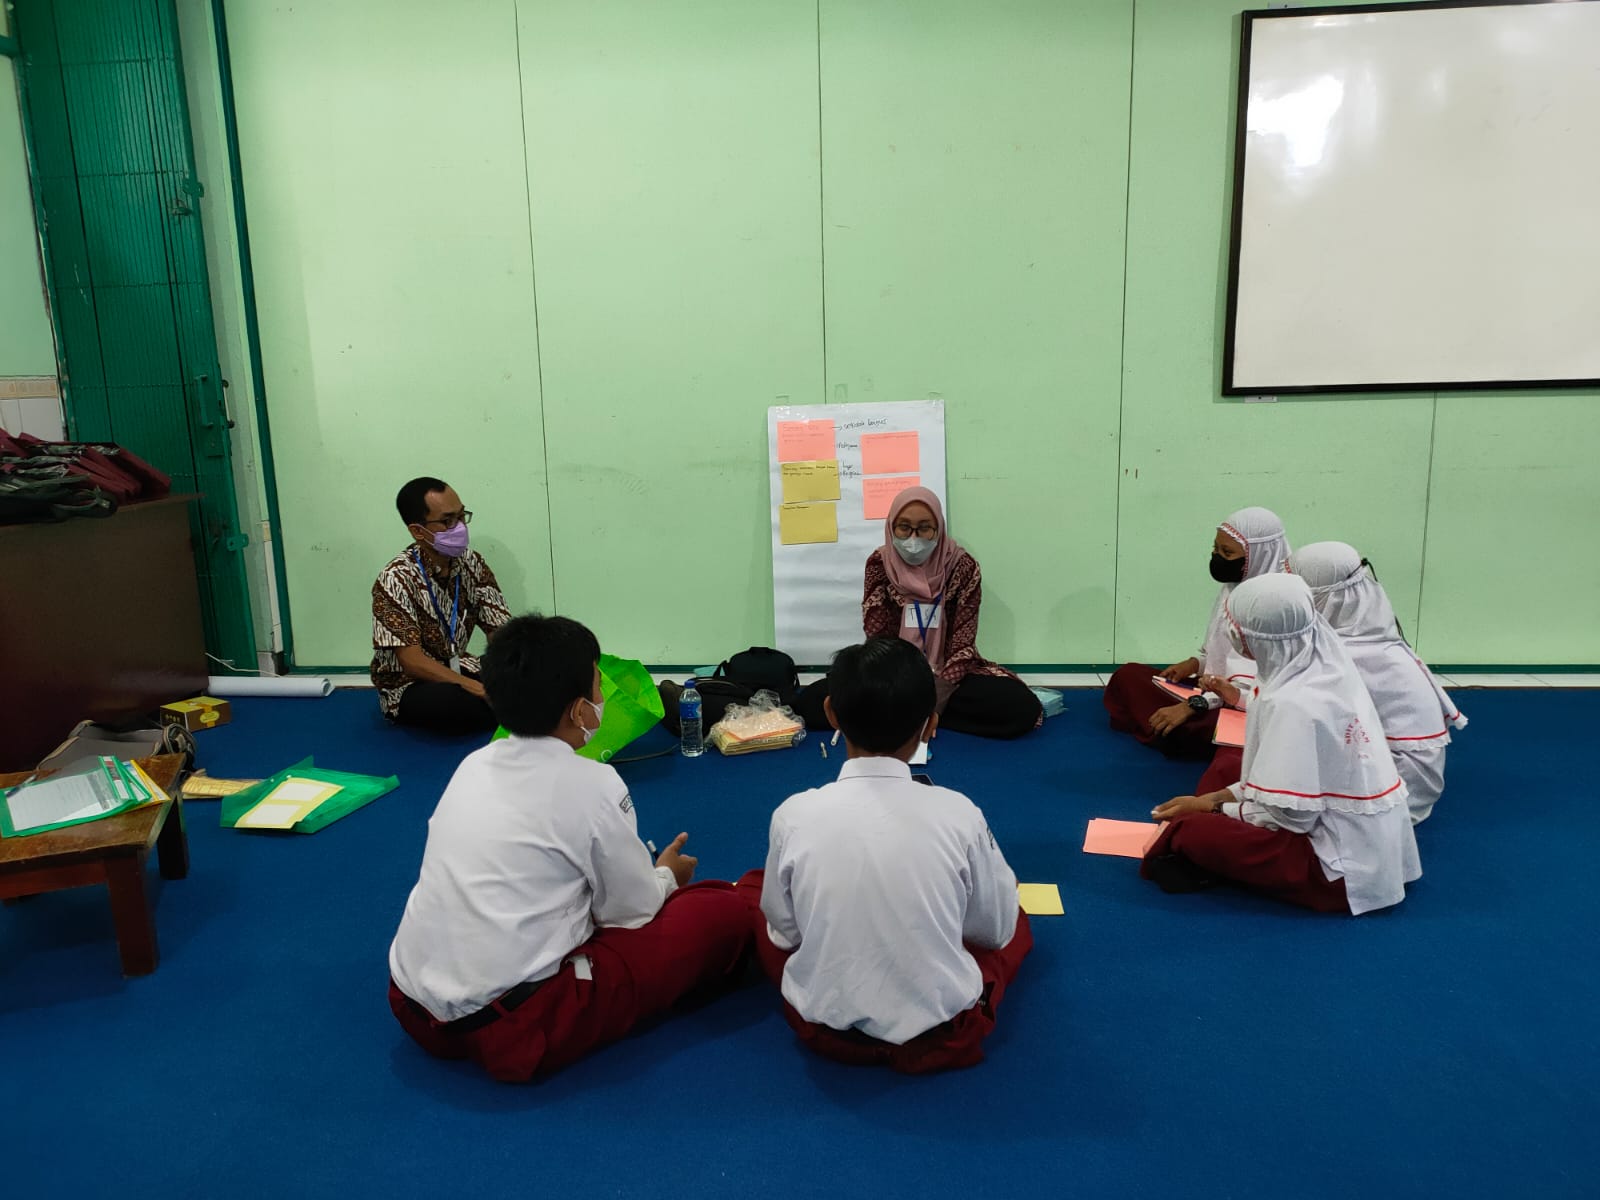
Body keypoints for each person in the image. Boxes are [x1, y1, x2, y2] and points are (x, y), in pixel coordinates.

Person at [387, 614, 753, 1082]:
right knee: (718, 913)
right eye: (599, 685)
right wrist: (665, 876)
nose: (603, 698)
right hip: (516, 1026)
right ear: (580, 711)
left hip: (412, 1006)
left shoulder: (473, 765)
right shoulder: (593, 782)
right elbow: (632, 913)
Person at [743, 637, 1032, 1073]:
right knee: (1014, 915)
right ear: (930, 725)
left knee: (755, 891)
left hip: (823, 1031)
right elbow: (992, 933)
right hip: (943, 1034)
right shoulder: (960, 813)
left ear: (831, 714)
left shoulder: (793, 815)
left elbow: (785, 936)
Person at [1141, 574, 1421, 915]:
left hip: (1337, 871)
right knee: (1226, 769)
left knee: (1190, 831)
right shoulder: (1316, 665)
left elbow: (1294, 819)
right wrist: (1212, 799)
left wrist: (1210, 809)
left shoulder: (1294, 703)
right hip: (1367, 845)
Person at [795, 487, 1041, 739]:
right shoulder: (879, 563)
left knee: (1021, 707)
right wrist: (901, 682)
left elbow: (962, 645)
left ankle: (906, 713)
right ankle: (920, 713)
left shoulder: (963, 566)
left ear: (939, 528)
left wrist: (936, 693)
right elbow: (878, 636)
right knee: (813, 702)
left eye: (924, 528)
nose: (914, 538)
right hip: (893, 672)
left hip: (948, 674)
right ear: (891, 527)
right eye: (904, 527)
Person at [1102, 506, 1292, 790]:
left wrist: (1195, 704)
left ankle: (1183, 735)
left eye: (1227, 554)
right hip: (1214, 691)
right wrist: (1194, 664)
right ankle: (1179, 732)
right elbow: (1219, 654)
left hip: (1249, 707)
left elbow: (1257, 687)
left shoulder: (1275, 604)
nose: (1217, 558)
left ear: (1259, 556)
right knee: (1128, 677)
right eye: (1215, 549)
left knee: (1226, 758)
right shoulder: (1233, 586)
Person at [1288, 541, 1466, 824]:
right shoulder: (1370, 639)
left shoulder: (1349, 655)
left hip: (1392, 798)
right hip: (1394, 781)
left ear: (1325, 597)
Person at [371, 477, 512, 735]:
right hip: (411, 685)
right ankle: (511, 710)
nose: (459, 527)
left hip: (462, 667)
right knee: (452, 705)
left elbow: (500, 631)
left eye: (461, 517)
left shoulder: (472, 563)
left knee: (531, 676)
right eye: (447, 521)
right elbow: (412, 662)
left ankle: (506, 706)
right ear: (417, 531)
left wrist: (519, 666)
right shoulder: (395, 578)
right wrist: (479, 689)